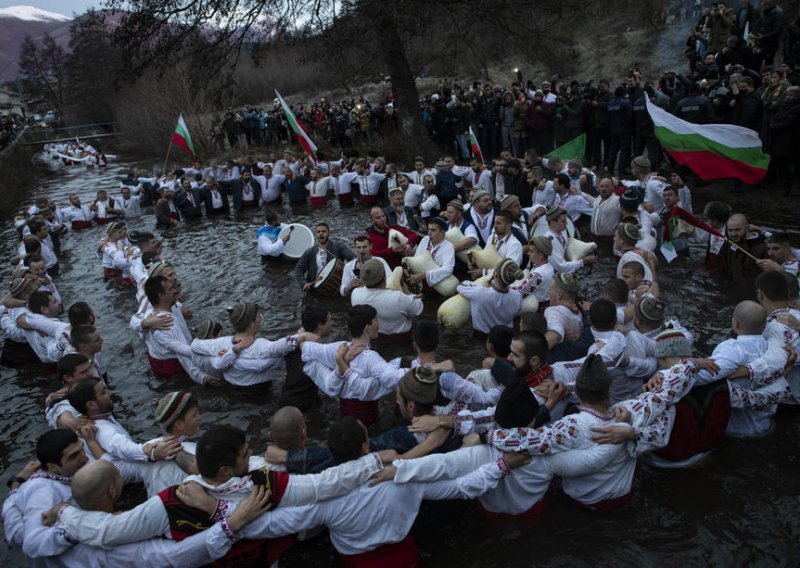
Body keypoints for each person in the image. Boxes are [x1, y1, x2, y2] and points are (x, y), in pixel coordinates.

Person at [142, 275, 219, 385]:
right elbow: (183, 355)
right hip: (174, 370)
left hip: (158, 366)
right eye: (170, 289)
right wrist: (203, 377)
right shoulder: (167, 322)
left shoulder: (149, 316)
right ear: (161, 296)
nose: (175, 290)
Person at [351, 259, 423, 341]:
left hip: (372, 340)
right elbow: (418, 309)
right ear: (384, 277)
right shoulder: (398, 297)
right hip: (401, 341)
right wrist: (407, 292)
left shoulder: (355, 293)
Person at [457, 259, 523, 337]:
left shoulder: (479, 292)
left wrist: (481, 284)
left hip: (482, 337)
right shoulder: (517, 296)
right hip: (506, 336)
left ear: (495, 275)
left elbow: (460, 286)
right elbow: (516, 314)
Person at [294, 222, 356, 291]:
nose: (321, 233)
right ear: (316, 235)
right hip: (315, 287)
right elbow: (298, 269)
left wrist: (350, 275)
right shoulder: (309, 252)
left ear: (329, 233)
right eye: (318, 232)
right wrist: (304, 283)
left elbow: (353, 258)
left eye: (323, 231)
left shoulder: (338, 246)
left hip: (336, 285)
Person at [719, 213, 767, 301]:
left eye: (737, 230)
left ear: (747, 228)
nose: (733, 234)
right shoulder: (729, 243)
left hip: (755, 296)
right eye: (730, 230)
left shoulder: (763, 248)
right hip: (733, 291)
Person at [408, 217, 456, 293]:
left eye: (433, 230)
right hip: (418, 279)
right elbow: (416, 258)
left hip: (436, 285)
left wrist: (425, 275)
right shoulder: (425, 239)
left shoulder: (448, 246)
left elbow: (448, 269)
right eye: (429, 229)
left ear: (442, 232)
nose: (429, 233)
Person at [545, 206, 596, 273]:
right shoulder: (549, 240)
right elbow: (560, 266)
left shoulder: (562, 231)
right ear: (553, 223)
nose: (566, 223)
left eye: (566, 220)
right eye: (563, 221)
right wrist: (583, 261)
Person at [512, 236, 554, 311]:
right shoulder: (548, 266)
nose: (528, 253)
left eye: (531, 251)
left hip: (536, 309)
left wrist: (505, 287)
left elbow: (520, 293)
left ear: (541, 255)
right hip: (542, 305)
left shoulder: (538, 273)